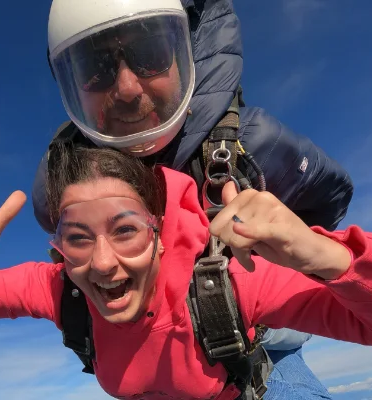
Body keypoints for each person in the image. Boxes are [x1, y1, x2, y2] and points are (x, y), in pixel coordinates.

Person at [0, 144, 372, 400]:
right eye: (78, 238)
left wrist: (323, 256)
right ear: (57, 248)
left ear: (160, 233)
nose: (103, 263)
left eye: (126, 230)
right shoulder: (60, 287)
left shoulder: (232, 279)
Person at [34, 0, 351, 396]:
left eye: (150, 54)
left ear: (186, 53)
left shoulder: (253, 146)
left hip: (259, 351)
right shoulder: (65, 182)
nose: (127, 88)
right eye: (96, 70)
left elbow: (328, 196)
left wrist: (296, 252)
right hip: (151, 363)